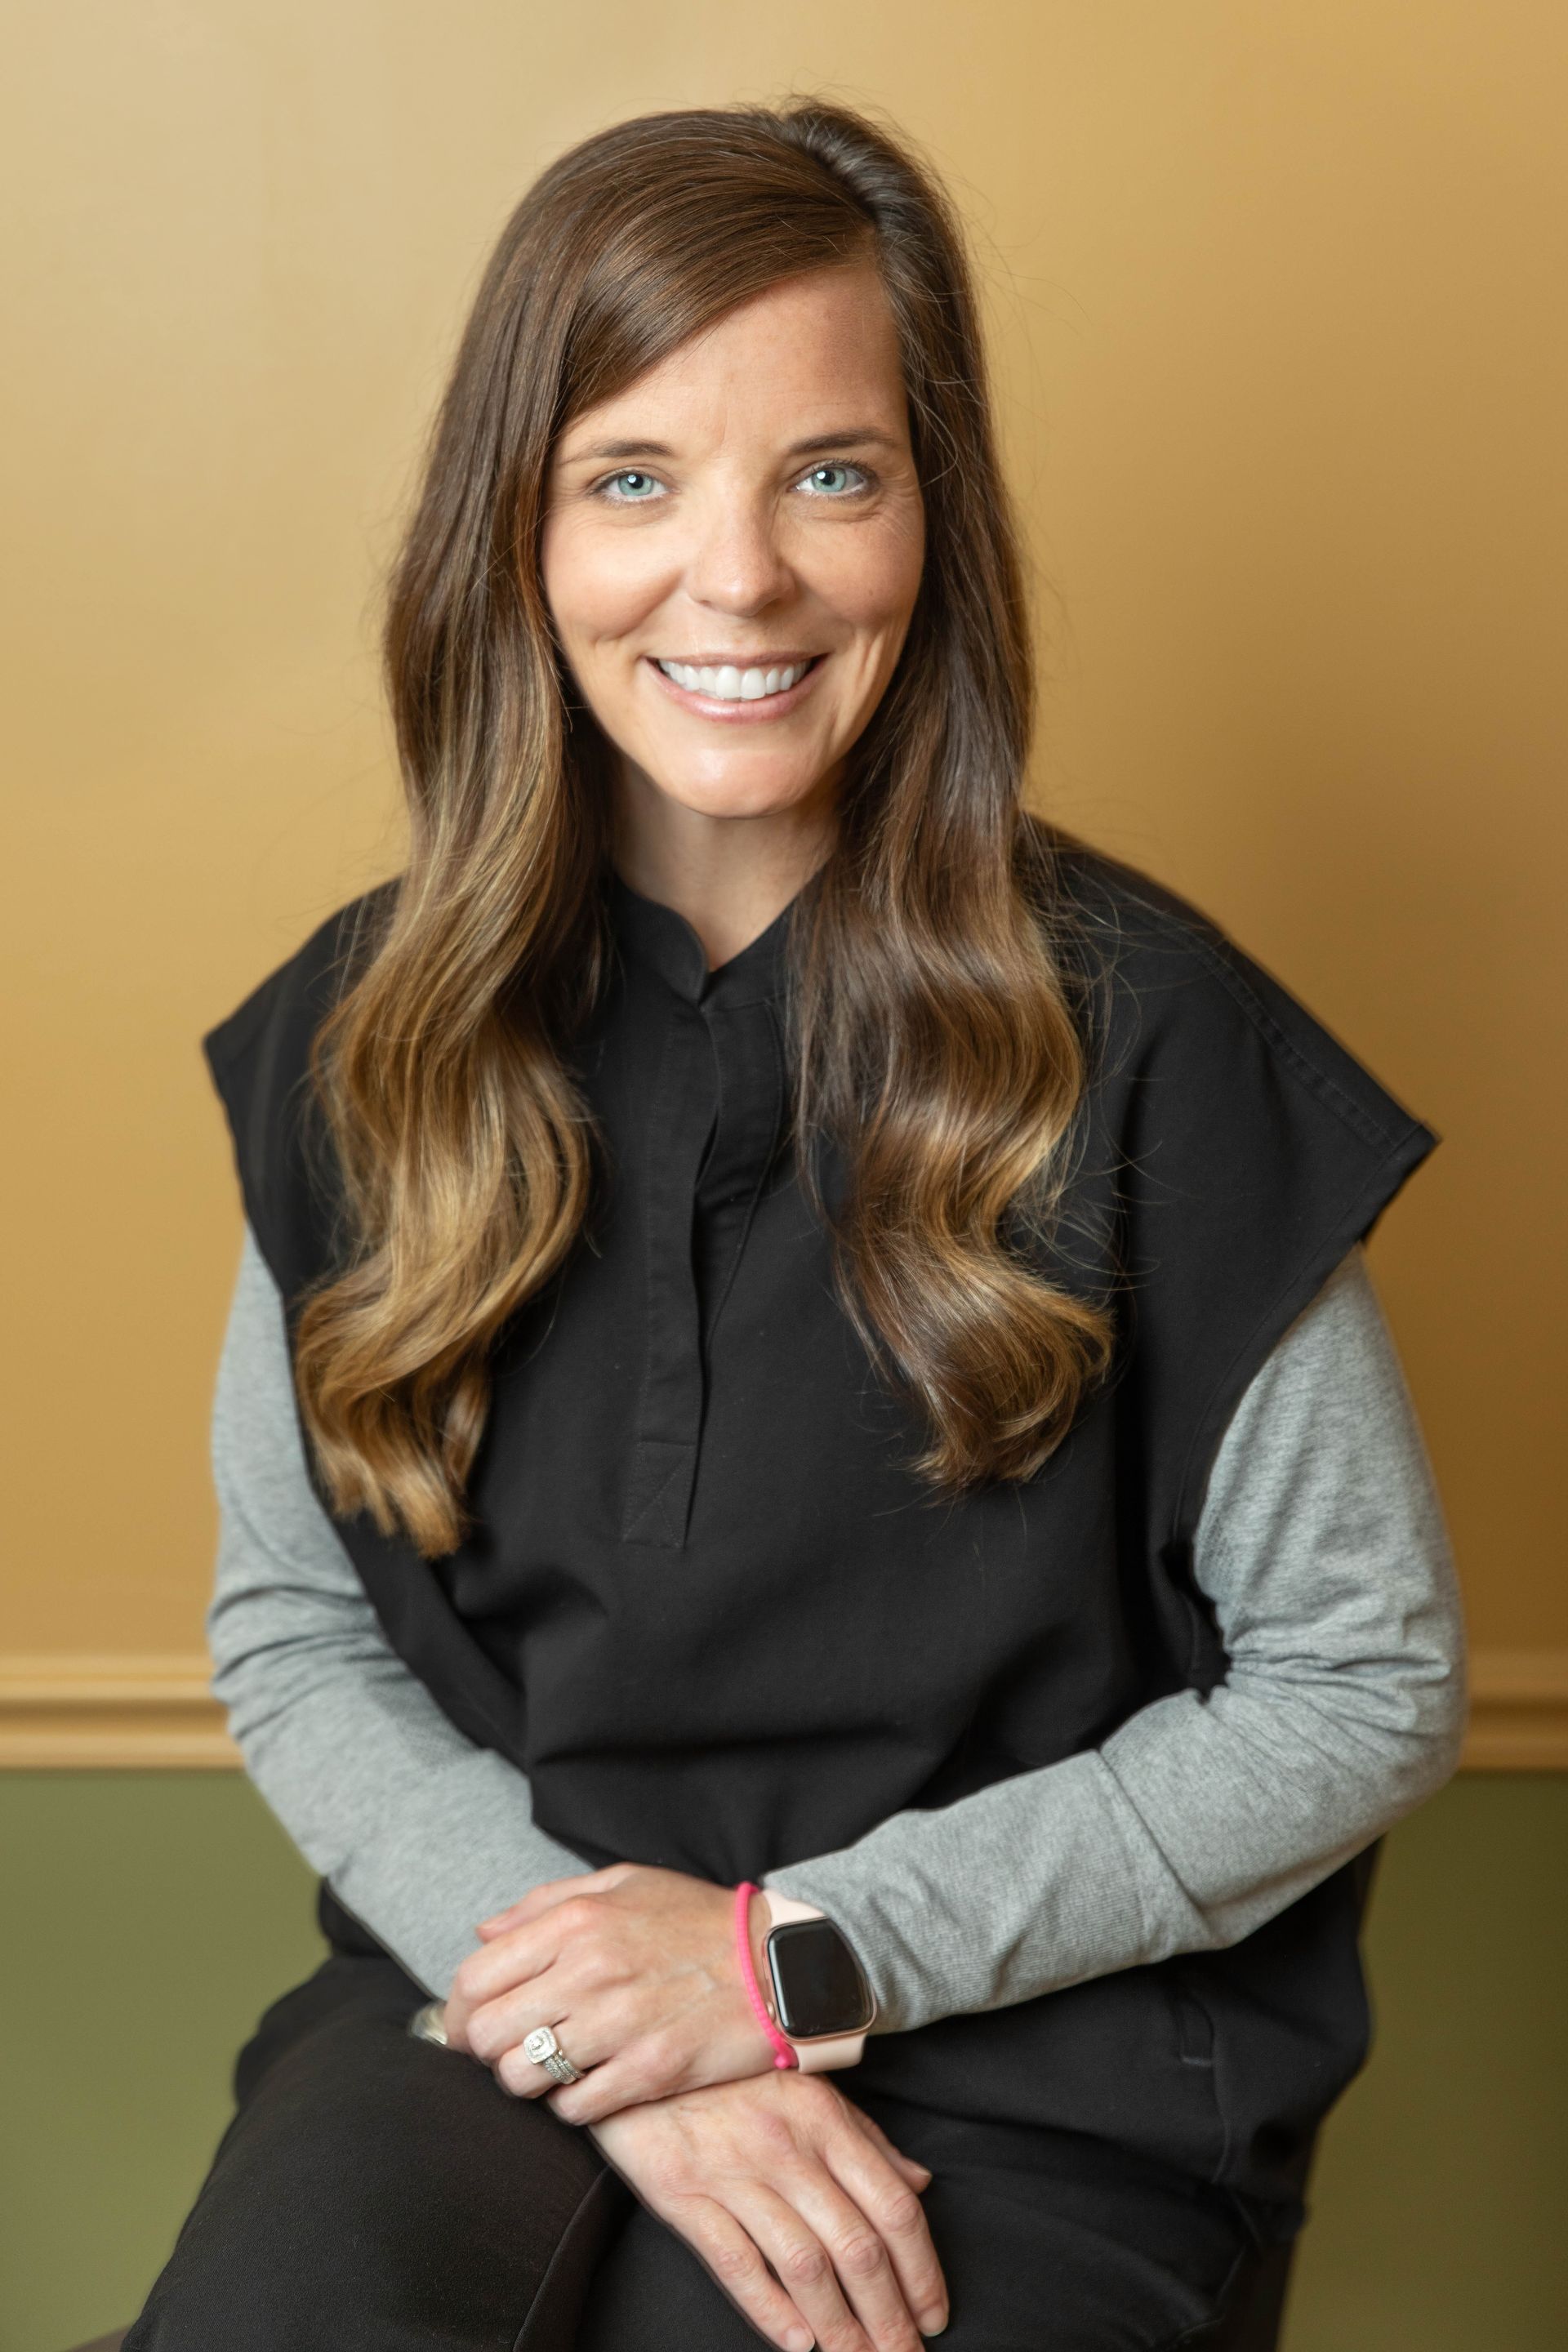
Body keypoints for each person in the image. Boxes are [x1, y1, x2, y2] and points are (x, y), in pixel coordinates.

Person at [126, 96, 1465, 2352]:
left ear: (931, 523)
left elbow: (1365, 1677)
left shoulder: (1154, 1036)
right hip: (494, 1997)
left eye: (829, 473)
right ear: (517, 539)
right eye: (630, 478)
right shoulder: (361, 1038)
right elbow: (298, 1633)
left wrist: (780, 1968)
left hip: (1048, 2059)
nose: (733, 578)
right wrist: (612, 2030)